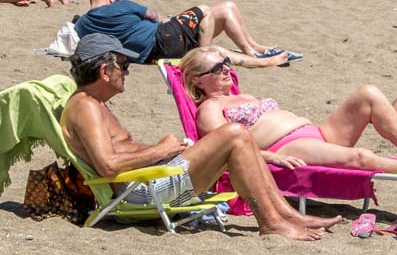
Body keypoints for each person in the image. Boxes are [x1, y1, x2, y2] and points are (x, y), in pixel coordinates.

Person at [62, 33, 338, 241]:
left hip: (149, 180)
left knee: (237, 136)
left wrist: (168, 151)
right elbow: (107, 165)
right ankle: (272, 222)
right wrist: (160, 151)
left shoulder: (93, 104)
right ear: (104, 71)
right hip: (140, 193)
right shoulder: (86, 106)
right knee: (233, 133)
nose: (127, 72)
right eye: (123, 65)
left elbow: (117, 152)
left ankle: (288, 216)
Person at [182, 49, 397, 176]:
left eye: (225, 63)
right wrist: (271, 157)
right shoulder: (210, 109)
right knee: (359, 156)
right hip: (286, 147)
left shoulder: (241, 96)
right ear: (198, 80)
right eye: (217, 68)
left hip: (317, 133)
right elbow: (224, 148)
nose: (226, 69)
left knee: (369, 93)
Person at [72, 0, 295, 67]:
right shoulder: (122, 5)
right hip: (163, 39)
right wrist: (175, 19)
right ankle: (204, 55)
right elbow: (157, 18)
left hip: (151, 53)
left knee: (227, 8)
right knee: (204, 9)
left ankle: (255, 48)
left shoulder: (82, 24)